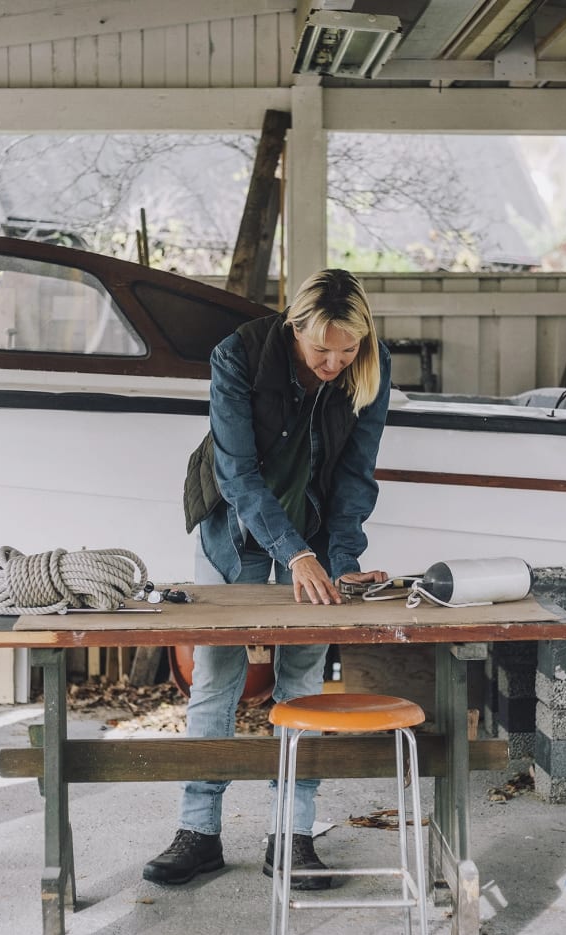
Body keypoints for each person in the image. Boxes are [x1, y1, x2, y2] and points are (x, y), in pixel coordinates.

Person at [144, 268, 392, 890]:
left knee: (303, 677)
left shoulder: (371, 365)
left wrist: (341, 562)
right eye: (320, 351)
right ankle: (198, 833)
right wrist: (295, 553)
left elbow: (356, 477)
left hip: (313, 517)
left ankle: (293, 835)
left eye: (348, 350)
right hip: (234, 518)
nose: (334, 363)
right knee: (217, 674)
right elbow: (238, 473)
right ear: (294, 330)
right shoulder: (239, 355)